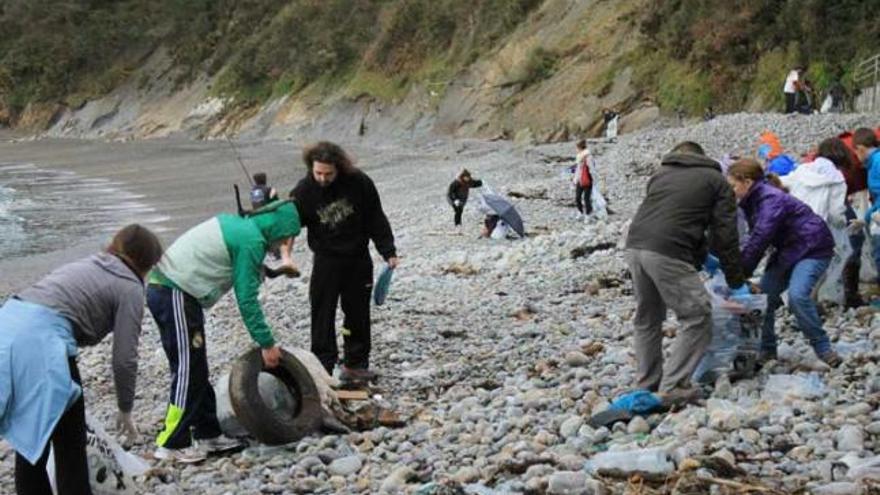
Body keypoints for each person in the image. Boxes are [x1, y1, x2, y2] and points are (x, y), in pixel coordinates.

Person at [0, 224, 163, 494]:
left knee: (31, 435)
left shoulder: (90, 263)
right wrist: (125, 408)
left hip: (7, 324)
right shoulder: (130, 287)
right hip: (42, 343)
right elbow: (124, 357)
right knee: (70, 441)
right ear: (148, 263)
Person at [147, 199, 300, 462]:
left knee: (196, 367)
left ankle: (208, 433)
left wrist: (260, 270)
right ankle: (171, 442)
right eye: (286, 238)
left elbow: (229, 261)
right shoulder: (252, 241)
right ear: (279, 230)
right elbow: (247, 299)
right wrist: (266, 342)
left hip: (173, 292)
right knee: (186, 371)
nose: (282, 246)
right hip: (174, 292)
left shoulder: (241, 226)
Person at [625, 141, 746, 402]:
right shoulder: (716, 181)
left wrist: (703, 259)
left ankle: (646, 384)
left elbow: (683, 220)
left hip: (634, 246)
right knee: (698, 315)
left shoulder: (660, 175)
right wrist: (736, 278)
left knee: (647, 318)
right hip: (669, 250)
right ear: (702, 158)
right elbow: (724, 233)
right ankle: (674, 386)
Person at [290, 141, 398, 382]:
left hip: (358, 258)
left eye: (328, 173)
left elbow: (376, 217)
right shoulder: (304, 191)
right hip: (326, 261)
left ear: (339, 167)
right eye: (318, 173)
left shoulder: (359, 183)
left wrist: (388, 250)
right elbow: (290, 224)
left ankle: (356, 363)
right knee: (322, 314)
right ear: (311, 168)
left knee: (357, 313)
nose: (322, 178)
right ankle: (323, 364)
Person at [727, 159, 841, 367]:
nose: (731, 191)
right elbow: (755, 239)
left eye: (733, 186)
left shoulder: (769, 199)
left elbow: (761, 236)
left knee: (797, 296)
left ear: (747, 182)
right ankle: (767, 350)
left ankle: (823, 348)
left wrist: (741, 271)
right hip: (789, 250)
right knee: (764, 297)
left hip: (813, 247)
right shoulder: (753, 201)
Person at [854, 128, 880, 294]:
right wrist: (866, 217)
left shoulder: (877, 163)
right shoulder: (873, 163)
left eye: (856, 152)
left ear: (861, 149)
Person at [572, 140, 593, 216]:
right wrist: (575, 180)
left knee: (586, 198)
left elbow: (592, 169)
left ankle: (588, 214)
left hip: (587, 179)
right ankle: (580, 212)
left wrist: (594, 180)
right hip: (580, 180)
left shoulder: (588, 156)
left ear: (580, 147)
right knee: (578, 197)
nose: (576, 149)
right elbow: (577, 169)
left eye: (577, 147)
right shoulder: (579, 156)